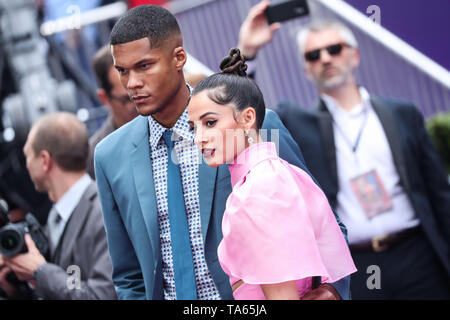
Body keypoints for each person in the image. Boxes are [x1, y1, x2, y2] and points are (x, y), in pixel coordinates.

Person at [94, 5, 349, 300]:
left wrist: (331, 291)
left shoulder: (252, 126)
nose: (132, 83)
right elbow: (128, 276)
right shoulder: (109, 156)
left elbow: (323, 223)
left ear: (179, 58)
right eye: (123, 71)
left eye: (144, 66)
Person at [237, 4, 450, 298]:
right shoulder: (297, 122)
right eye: (314, 55)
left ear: (354, 54)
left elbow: (440, 193)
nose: (325, 58)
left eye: (334, 49)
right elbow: (244, 117)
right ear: (306, 69)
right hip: (354, 265)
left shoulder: (402, 113)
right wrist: (247, 52)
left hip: (418, 256)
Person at [187, 48, 356, 300]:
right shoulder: (270, 175)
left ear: (247, 118)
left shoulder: (260, 187)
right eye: (193, 127)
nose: (199, 138)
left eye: (210, 122)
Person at [0, 112, 116, 300]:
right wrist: (17, 287)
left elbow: (100, 295)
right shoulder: (57, 215)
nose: (27, 166)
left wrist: (39, 271)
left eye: (28, 156)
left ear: (45, 161)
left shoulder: (104, 212)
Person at [88, 44, 139, 179]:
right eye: (127, 99)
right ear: (104, 99)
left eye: (140, 91)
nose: (139, 102)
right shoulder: (98, 156)